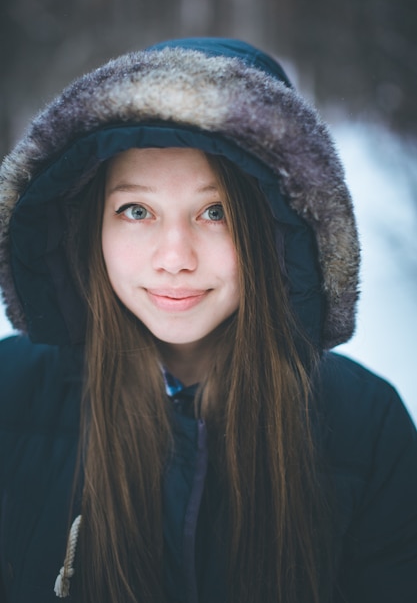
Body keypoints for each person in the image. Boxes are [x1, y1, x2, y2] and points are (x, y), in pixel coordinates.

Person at [0, 37, 416, 603]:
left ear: (279, 232)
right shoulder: (10, 394)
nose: (175, 257)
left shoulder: (369, 430)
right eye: (137, 210)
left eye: (214, 212)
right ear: (87, 226)